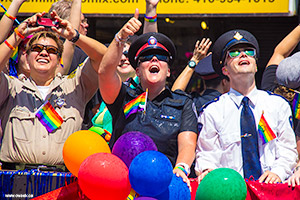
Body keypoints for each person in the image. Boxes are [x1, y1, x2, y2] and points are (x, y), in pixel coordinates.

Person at [98, 10, 198, 186]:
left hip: (164, 184)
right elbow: (105, 72)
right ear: (137, 71)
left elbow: (188, 144)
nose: (154, 59)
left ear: (168, 71)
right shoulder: (123, 96)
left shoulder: (183, 103)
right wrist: (120, 38)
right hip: (123, 186)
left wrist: (181, 168)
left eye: (161, 57)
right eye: (145, 58)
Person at [0, 11, 107, 170]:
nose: (44, 52)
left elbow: (103, 58)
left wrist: (74, 36)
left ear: (59, 60)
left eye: (51, 50)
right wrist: (17, 36)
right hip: (16, 182)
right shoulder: (11, 88)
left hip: (62, 185)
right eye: (37, 48)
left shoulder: (75, 87)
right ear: (27, 57)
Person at [195, 29, 298, 184]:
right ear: (225, 70)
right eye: (234, 53)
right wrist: (208, 170)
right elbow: (207, 155)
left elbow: (288, 151)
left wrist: (277, 173)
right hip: (230, 190)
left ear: (256, 66)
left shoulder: (277, 105)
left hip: (271, 190)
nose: (243, 55)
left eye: (249, 51)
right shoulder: (213, 111)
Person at [172, 38, 230, 115]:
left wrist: (195, 60)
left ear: (204, 81)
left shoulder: (193, 103)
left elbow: (175, 96)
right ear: (224, 82)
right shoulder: (231, 105)